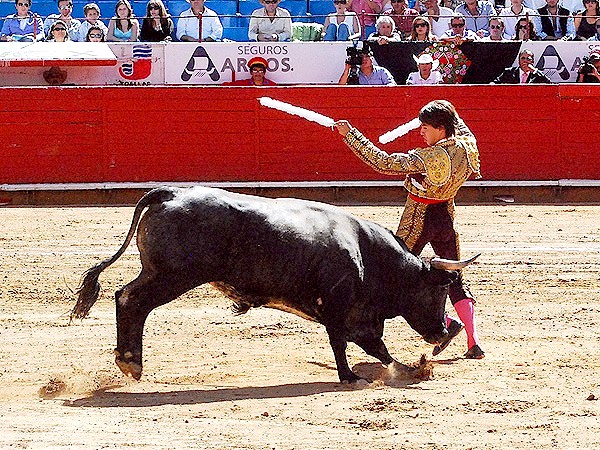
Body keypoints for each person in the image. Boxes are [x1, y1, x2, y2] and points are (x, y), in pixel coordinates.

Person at [333, 100, 484, 359]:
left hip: (419, 219)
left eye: (425, 127)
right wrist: (445, 107)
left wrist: (352, 135)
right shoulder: (467, 146)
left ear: (440, 128)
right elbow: (459, 122)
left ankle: (446, 324)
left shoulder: (427, 158)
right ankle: (474, 342)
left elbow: (383, 162)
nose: (421, 132)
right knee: (455, 276)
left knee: (394, 275)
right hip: (446, 216)